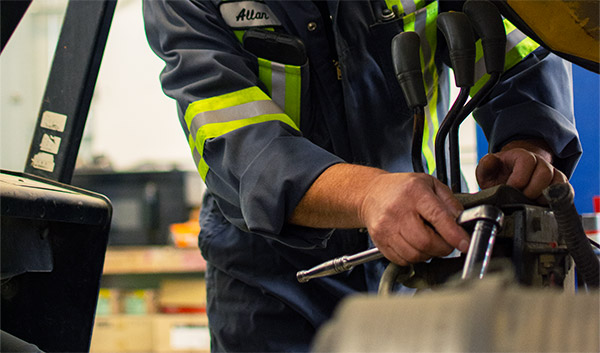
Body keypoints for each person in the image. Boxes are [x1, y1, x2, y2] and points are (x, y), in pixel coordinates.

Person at [143, 0, 581, 351]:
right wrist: (368, 194)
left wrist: (527, 143)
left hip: (419, 248)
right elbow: (237, 142)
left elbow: (517, 50)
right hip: (270, 283)